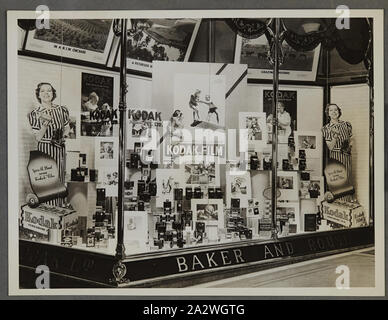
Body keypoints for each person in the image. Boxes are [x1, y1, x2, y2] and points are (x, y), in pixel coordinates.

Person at [28, 82, 70, 206]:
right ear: (38, 94)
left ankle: (59, 210)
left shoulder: (62, 110)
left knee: (59, 179)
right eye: (43, 91)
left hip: (60, 149)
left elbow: (67, 127)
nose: (46, 93)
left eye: (49, 91)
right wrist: (45, 123)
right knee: (46, 182)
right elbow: (38, 137)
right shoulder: (35, 114)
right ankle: (48, 213)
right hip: (45, 149)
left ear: (53, 93)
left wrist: (64, 136)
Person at [321, 103, 353, 180]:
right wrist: (335, 135)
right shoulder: (326, 128)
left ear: (339, 111)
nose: (334, 112)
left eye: (336, 110)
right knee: (338, 182)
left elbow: (351, 139)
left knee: (347, 180)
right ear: (328, 113)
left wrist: (349, 147)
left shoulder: (346, 124)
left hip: (346, 157)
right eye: (331, 110)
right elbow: (330, 147)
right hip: (335, 157)